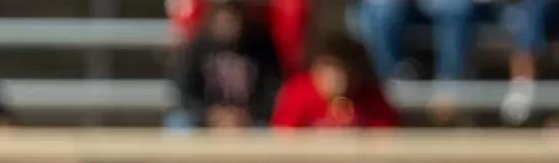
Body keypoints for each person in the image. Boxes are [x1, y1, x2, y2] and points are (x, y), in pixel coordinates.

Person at [171, 0, 284, 129]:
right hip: (206, 119)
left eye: (232, 14)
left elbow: (272, 90)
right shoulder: (198, 47)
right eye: (222, 14)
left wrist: (246, 115)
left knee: (274, 128)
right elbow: (185, 93)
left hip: (249, 119)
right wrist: (210, 115)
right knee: (178, 122)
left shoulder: (260, 44)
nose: (227, 20)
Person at [271, 36, 400, 128]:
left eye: (340, 68)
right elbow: (283, 138)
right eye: (327, 66)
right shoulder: (299, 91)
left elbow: (386, 141)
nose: (335, 77)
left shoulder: (372, 98)